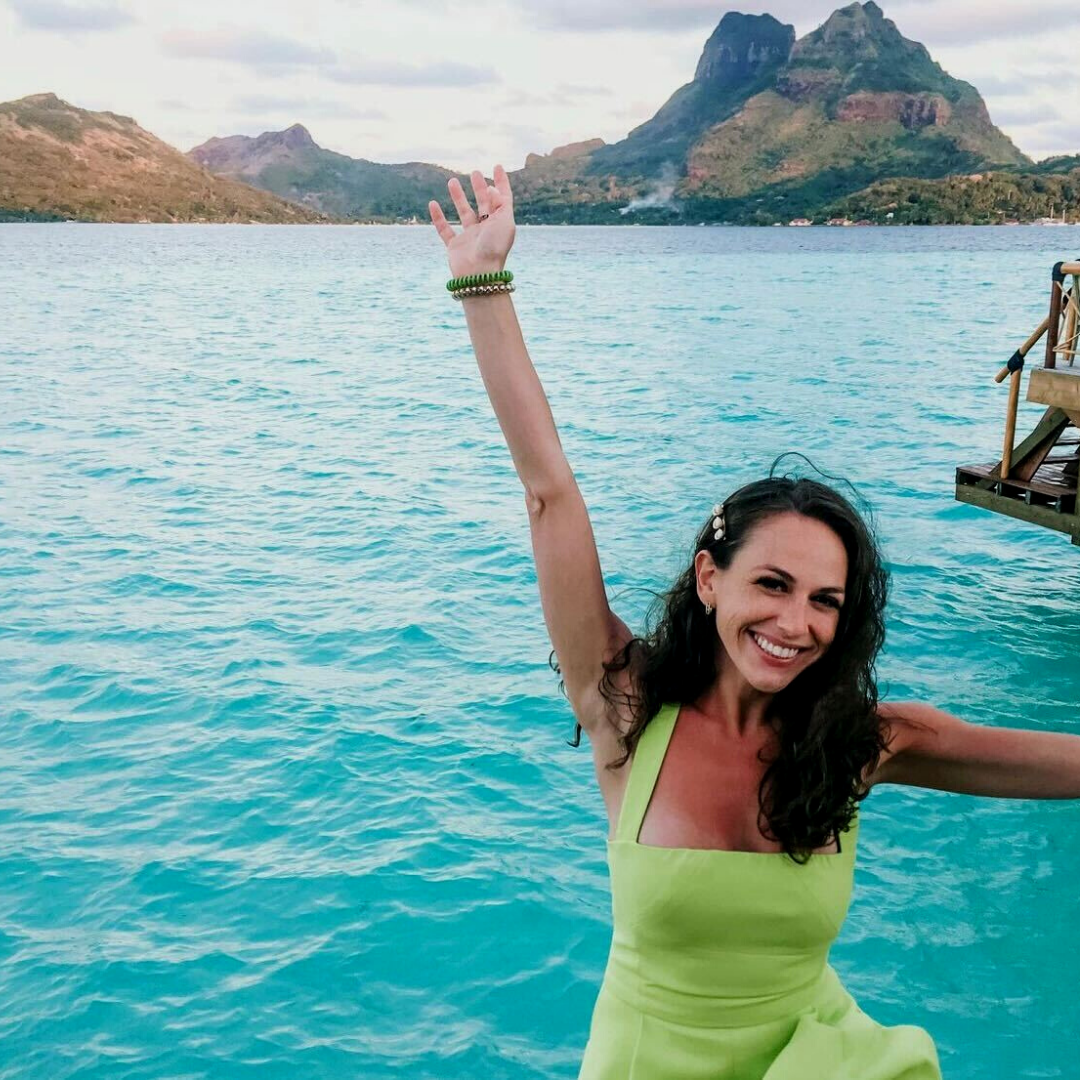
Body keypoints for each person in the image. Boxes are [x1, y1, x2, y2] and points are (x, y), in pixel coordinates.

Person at [428, 167, 1080, 1079]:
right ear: (710, 578)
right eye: (771, 584)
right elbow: (550, 493)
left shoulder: (861, 744)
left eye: (825, 601)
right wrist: (484, 286)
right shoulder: (625, 705)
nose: (794, 622)